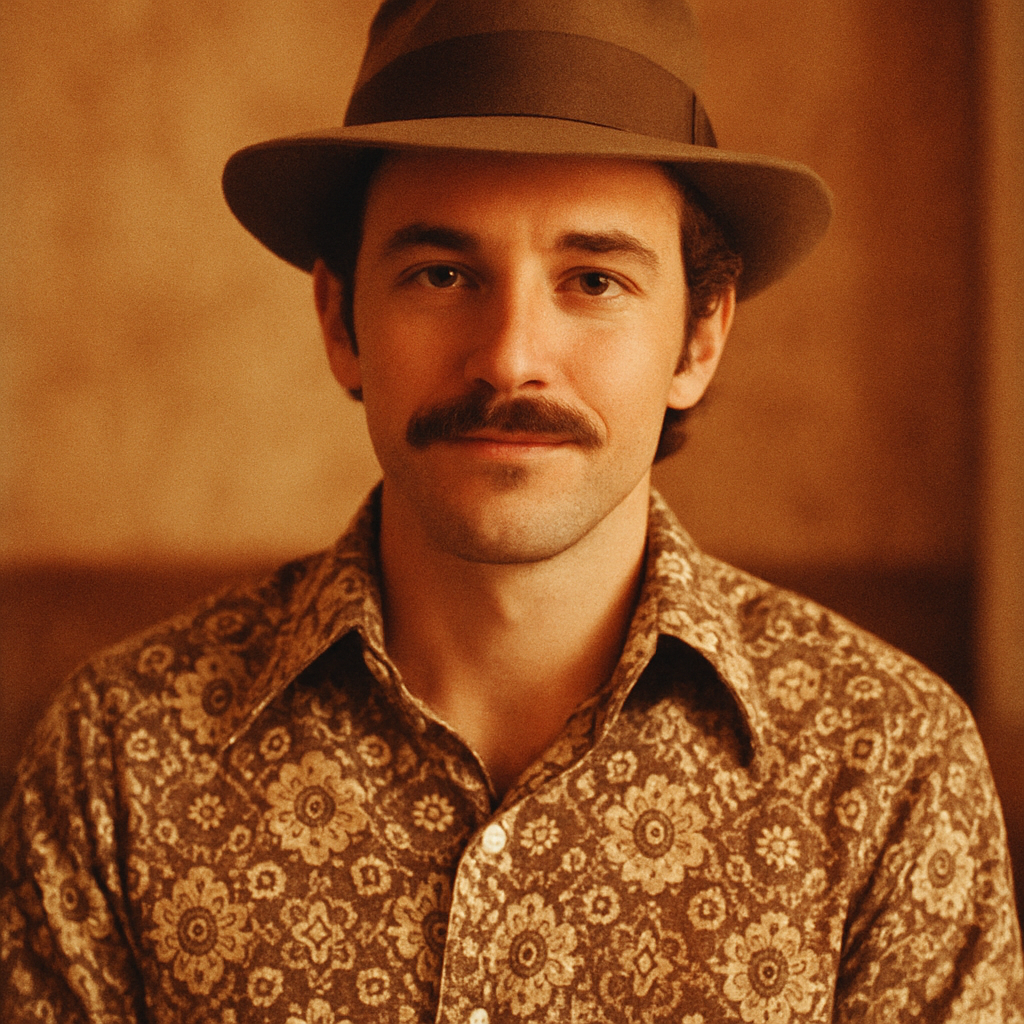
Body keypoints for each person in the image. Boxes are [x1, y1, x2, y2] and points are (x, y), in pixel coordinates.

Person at [2, 0, 1021, 1020]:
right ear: (340, 317)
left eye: (592, 279)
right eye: (441, 274)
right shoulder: (122, 758)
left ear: (699, 337)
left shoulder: (885, 764)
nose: (509, 356)